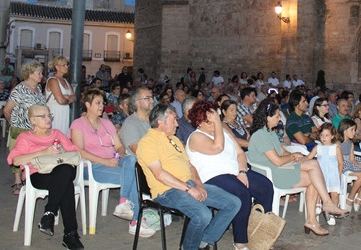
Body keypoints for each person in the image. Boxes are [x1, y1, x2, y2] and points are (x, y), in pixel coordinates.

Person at [136, 105, 240, 250]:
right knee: (202, 215)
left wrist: (199, 185)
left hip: (188, 184)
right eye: (173, 121)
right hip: (167, 191)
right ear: (161, 123)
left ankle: (203, 241)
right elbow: (159, 174)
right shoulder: (148, 142)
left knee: (233, 203)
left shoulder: (174, 140)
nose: (177, 124)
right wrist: (189, 189)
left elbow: (190, 166)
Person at [248, 100, 348, 236]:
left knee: (314, 177)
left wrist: (294, 156)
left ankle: (313, 218)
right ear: (267, 117)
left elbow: (282, 152)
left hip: (280, 168)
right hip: (270, 174)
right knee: (313, 165)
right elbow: (277, 161)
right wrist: (293, 156)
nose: (279, 119)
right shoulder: (260, 135)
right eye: (277, 116)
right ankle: (326, 204)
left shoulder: (270, 132)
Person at [187, 100, 273, 249]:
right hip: (212, 177)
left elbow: (240, 153)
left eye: (213, 120)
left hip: (235, 172)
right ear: (198, 122)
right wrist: (218, 124)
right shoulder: (196, 137)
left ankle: (259, 232)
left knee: (265, 186)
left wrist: (242, 171)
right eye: (208, 121)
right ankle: (240, 240)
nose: (212, 124)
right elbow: (217, 147)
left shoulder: (224, 132)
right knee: (242, 192)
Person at [70, 88, 152, 237]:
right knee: (132, 175)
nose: (102, 106)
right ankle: (135, 220)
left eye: (102, 102)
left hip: (112, 161)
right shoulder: (78, 124)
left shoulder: (106, 123)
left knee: (131, 159)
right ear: (87, 105)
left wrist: (119, 155)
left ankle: (124, 202)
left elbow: (119, 146)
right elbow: (79, 151)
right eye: (98, 103)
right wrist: (105, 161)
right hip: (91, 165)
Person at [6, 104, 84, 249]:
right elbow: (16, 160)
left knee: (65, 170)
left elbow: (74, 151)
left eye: (49, 115)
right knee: (66, 185)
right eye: (42, 116)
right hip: (39, 175)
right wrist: (43, 152)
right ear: (32, 120)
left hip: (61, 173)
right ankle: (70, 234)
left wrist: (61, 151)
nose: (47, 119)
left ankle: (49, 213)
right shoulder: (25, 137)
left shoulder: (57, 134)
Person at [4, 61, 48, 194]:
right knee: (19, 154)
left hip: (36, 130)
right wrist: (14, 124)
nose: (41, 75)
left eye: (41, 72)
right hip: (21, 128)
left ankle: (30, 179)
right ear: (30, 74)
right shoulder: (20, 89)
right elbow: (7, 110)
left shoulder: (38, 89)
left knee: (34, 156)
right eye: (38, 73)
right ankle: (17, 181)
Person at [306, 123, 343, 226]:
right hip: (321, 174)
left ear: (332, 136)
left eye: (327, 135)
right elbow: (309, 158)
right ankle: (317, 205)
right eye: (322, 135)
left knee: (334, 194)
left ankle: (332, 213)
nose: (324, 138)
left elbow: (340, 162)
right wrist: (301, 158)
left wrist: (338, 174)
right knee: (319, 189)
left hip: (333, 175)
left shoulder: (336, 148)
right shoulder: (318, 147)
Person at [337, 119, 361, 211]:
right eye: (352, 130)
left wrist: (359, 165)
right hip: (341, 162)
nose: (354, 132)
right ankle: (350, 197)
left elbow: (352, 159)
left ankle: (359, 198)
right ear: (344, 130)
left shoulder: (350, 143)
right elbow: (339, 159)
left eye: (354, 130)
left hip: (349, 161)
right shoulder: (338, 143)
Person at [45, 56, 77, 136]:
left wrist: (67, 97)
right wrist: (67, 98)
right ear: (57, 67)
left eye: (67, 65)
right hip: (55, 113)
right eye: (64, 65)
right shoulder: (53, 80)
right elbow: (61, 100)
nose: (66, 67)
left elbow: (74, 97)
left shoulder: (65, 81)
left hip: (64, 112)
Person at [120, 86, 153, 154]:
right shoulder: (130, 123)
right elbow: (137, 149)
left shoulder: (155, 120)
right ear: (137, 102)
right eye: (147, 98)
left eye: (152, 97)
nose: (152, 101)